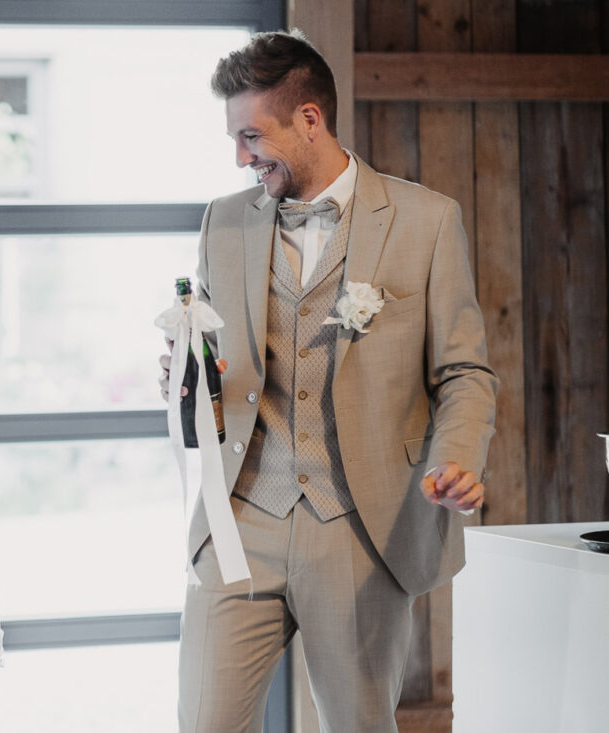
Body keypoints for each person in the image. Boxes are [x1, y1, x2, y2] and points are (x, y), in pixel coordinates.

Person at [163, 30, 498, 732]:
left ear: (309, 119)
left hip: (360, 526)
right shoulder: (223, 221)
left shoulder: (426, 220)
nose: (240, 157)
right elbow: (219, 359)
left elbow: (464, 370)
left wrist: (457, 457)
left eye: (252, 136)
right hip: (242, 517)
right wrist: (186, 374)